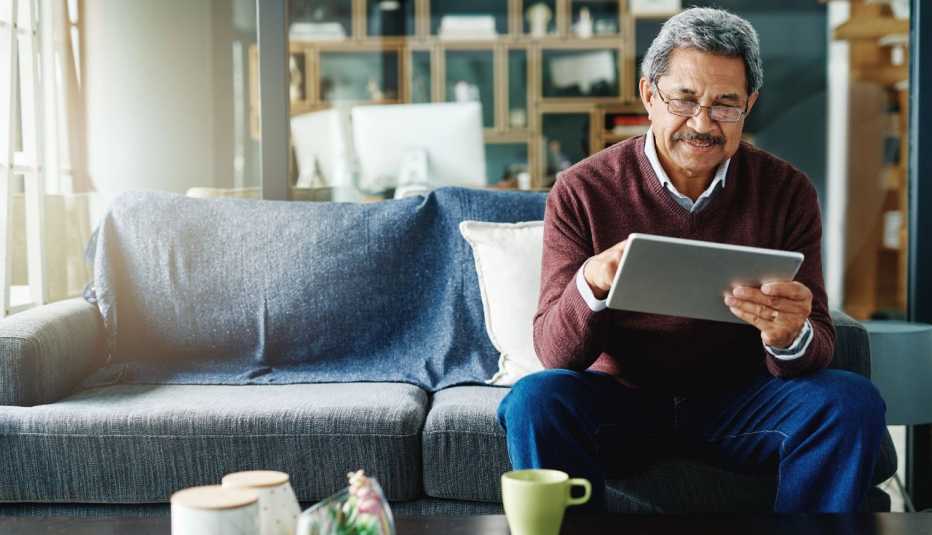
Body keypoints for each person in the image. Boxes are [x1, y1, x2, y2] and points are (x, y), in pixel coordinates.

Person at [497, 7, 886, 513]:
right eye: (684, 99)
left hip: (740, 404)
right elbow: (555, 352)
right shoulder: (581, 190)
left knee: (850, 402)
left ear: (750, 104)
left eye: (726, 104)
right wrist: (591, 282)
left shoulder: (786, 191)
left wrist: (790, 336)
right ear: (649, 96)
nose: (702, 123)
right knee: (534, 400)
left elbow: (817, 345)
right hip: (622, 403)